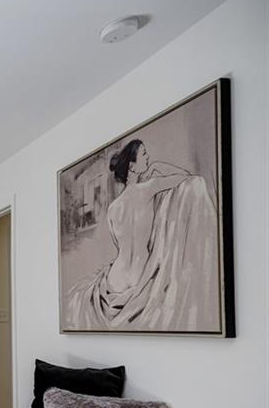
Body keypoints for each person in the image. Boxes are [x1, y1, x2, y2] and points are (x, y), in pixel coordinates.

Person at [65, 139, 220, 332]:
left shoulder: (113, 208)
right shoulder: (148, 188)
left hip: (115, 280)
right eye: (144, 154)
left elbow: (119, 245)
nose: (148, 158)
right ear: (132, 166)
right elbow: (188, 177)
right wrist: (157, 166)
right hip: (140, 277)